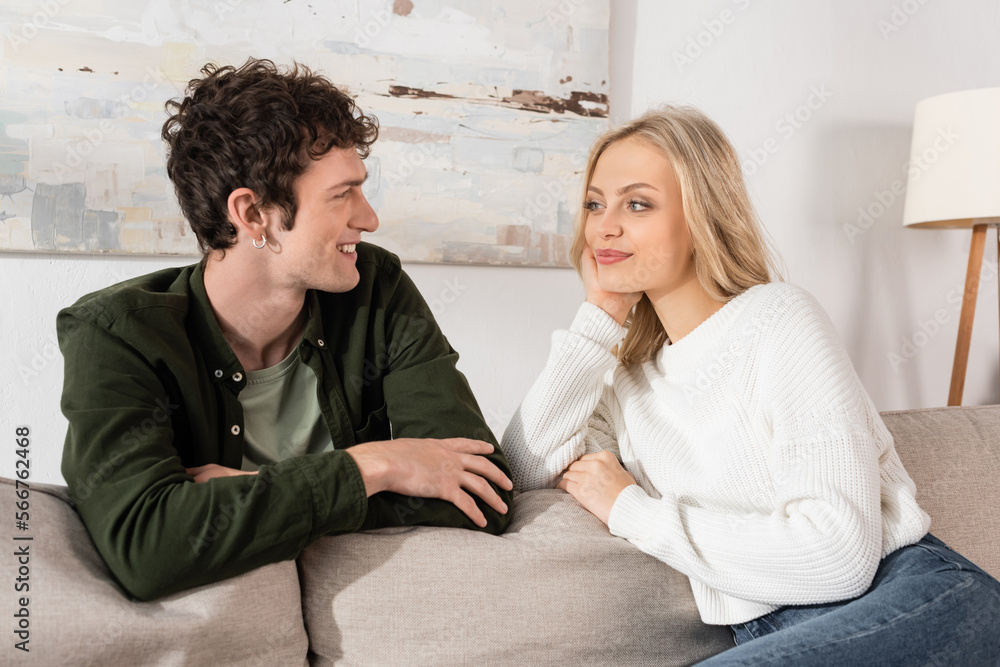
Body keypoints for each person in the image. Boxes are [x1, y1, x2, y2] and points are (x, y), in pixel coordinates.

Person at [501, 105, 1000, 664]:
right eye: (595, 204)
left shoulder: (779, 319)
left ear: (701, 216)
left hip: (920, 602)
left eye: (637, 204)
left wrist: (630, 510)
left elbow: (840, 555)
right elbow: (519, 471)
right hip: (776, 634)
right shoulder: (625, 383)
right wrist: (602, 314)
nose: (605, 226)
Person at [57, 58, 513, 601]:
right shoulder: (117, 335)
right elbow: (146, 547)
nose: (369, 219)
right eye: (342, 194)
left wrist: (254, 493)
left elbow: (483, 493)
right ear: (253, 214)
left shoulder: (377, 289)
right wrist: (375, 465)